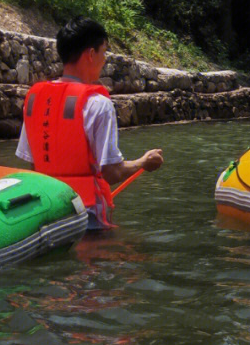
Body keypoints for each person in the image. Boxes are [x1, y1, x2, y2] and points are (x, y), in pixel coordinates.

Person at [17, 18, 163, 229]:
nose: (104, 60)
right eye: (103, 52)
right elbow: (112, 173)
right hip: (87, 216)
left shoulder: (34, 99)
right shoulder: (99, 104)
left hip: (46, 214)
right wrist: (143, 162)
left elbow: (33, 164)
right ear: (91, 54)